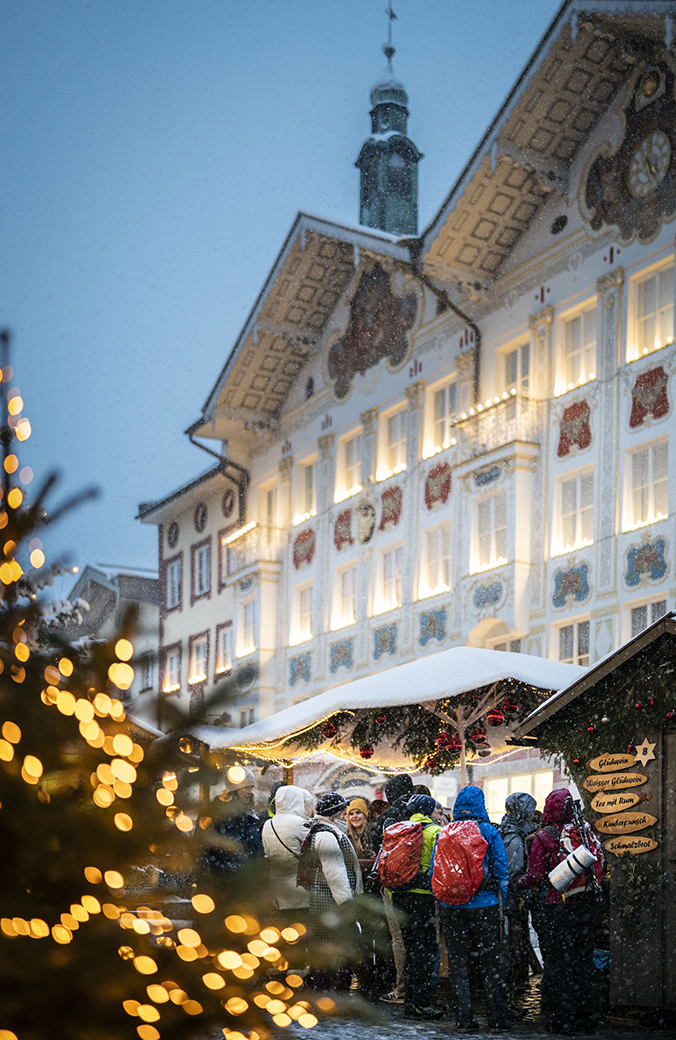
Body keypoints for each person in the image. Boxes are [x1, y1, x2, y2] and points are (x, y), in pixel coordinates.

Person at [518, 789, 603, 1036]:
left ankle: (563, 1020)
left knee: (561, 962)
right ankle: (588, 1019)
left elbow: (535, 876)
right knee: (584, 961)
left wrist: (518, 883)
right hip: (588, 904)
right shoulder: (585, 833)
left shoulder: (544, 837)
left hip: (560, 906)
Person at [435, 784, 509, 1034]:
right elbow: (501, 869)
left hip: (452, 906)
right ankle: (497, 1018)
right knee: (491, 962)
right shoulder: (489, 831)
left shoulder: (445, 831)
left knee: (457, 962)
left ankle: (463, 1019)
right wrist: (503, 901)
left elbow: (437, 869)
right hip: (485, 905)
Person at [387, 793, 442, 1020]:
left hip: (398, 896)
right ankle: (420, 1004)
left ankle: (411, 1000)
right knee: (424, 951)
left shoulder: (400, 829)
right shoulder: (434, 831)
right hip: (423, 897)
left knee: (411, 950)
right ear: (428, 810)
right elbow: (440, 865)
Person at [307, 792, 363, 991]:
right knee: (338, 948)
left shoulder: (328, 831)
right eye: (342, 812)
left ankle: (329, 990)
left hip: (329, 901)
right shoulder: (326, 835)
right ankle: (333, 992)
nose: (344, 817)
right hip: (331, 902)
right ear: (333, 814)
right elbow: (335, 873)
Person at [371, 774, 413, 1005]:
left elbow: (379, 845)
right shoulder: (418, 812)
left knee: (398, 937)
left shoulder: (389, 816)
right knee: (419, 937)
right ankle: (421, 985)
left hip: (394, 883)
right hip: (420, 885)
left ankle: (401, 987)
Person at [499, 792, 538, 993]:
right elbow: (513, 873)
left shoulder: (508, 829)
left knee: (513, 943)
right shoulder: (514, 836)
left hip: (508, 899)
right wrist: (528, 883)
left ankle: (512, 983)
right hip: (512, 901)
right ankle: (510, 988)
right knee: (512, 944)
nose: (532, 816)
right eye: (529, 811)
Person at [261, 784, 311, 915]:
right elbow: (314, 848)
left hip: (277, 886)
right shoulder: (299, 823)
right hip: (299, 886)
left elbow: (266, 850)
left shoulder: (268, 824)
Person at [203, 766, 263, 873]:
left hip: (247, 881)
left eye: (251, 787)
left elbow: (255, 850)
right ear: (234, 790)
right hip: (226, 880)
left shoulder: (249, 817)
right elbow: (205, 851)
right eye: (246, 787)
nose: (251, 792)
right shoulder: (218, 814)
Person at [346, 797, 376, 872]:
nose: (355, 816)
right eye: (351, 814)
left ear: (365, 815)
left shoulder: (374, 833)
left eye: (358, 812)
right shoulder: (347, 837)